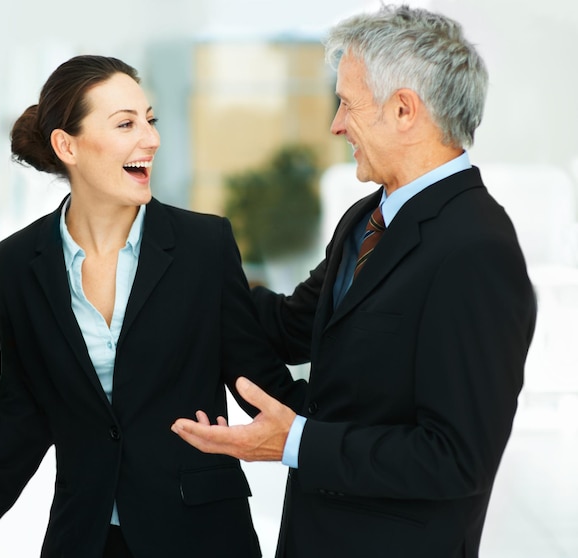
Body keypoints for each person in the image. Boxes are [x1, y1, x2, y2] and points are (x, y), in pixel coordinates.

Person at [171, 5, 537, 557]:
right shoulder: (368, 218)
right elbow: (291, 325)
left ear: (404, 110)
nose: (336, 124)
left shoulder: (476, 248)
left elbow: (454, 459)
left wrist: (295, 441)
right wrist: (177, 271)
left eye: (346, 103)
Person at [0, 55, 307, 558]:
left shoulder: (203, 246)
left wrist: (361, 438)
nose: (151, 138)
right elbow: (14, 426)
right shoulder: (16, 264)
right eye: (125, 124)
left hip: (202, 538)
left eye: (150, 120)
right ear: (66, 145)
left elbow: (263, 387)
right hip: (86, 539)